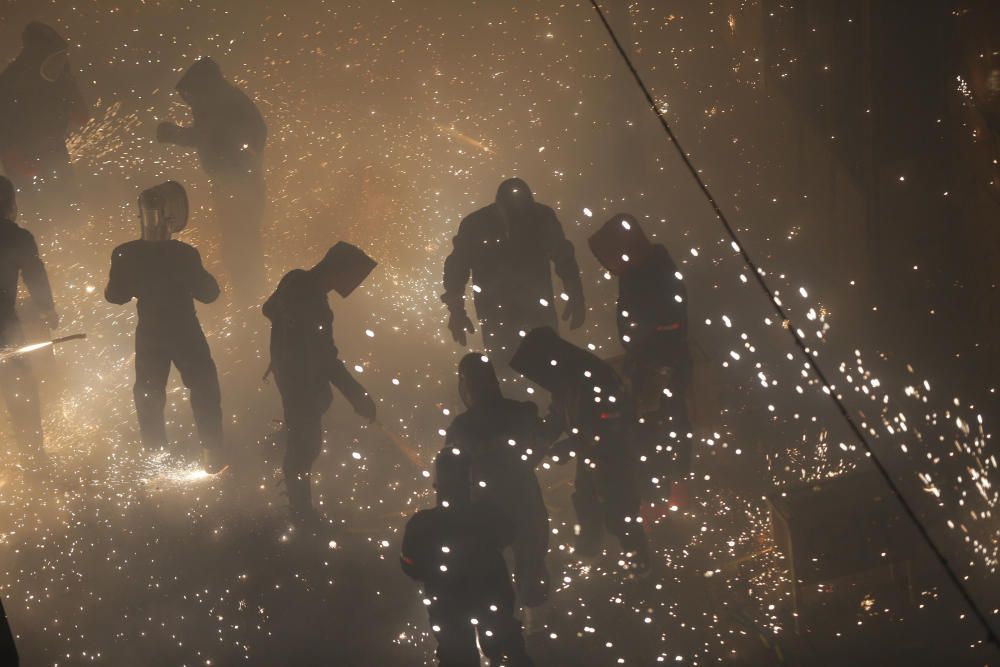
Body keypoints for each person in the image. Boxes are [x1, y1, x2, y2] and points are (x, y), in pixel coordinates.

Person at [105, 181, 225, 473]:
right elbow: (210, 294)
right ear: (171, 218)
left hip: (150, 334)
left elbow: (114, 296)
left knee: (148, 393)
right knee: (204, 387)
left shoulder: (125, 253)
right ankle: (213, 454)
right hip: (185, 331)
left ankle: (156, 461)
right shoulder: (185, 254)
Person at [511, 326, 649, 574]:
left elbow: (609, 427)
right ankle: (588, 554)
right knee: (585, 502)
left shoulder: (596, 376)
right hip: (592, 455)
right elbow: (558, 415)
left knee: (620, 509)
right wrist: (541, 443)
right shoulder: (567, 376)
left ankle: (640, 565)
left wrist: (570, 446)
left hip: (615, 457)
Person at [262, 242, 377, 524]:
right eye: (353, 275)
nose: (355, 283)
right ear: (338, 270)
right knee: (306, 446)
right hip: (299, 381)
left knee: (319, 406)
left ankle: (289, 451)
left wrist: (283, 341)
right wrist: (357, 394)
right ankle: (301, 513)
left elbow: (268, 309)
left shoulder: (296, 280)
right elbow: (328, 360)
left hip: (290, 373)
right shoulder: (314, 303)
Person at [589, 214, 692, 508]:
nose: (609, 269)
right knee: (646, 430)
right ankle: (652, 496)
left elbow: (670, 321)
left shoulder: (657, 271)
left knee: (668, 422)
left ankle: (676, 487)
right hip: (646, 360)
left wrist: (654, 364)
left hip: (664, 362)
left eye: (610, 257)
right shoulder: (634, 271)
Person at [401, 449, 535, 667]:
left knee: (458, 654)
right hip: (491, 598)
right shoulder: (487, 513)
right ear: (469, 483)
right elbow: (508, 535)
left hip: (449, 606)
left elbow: (410, 566)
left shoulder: (422, 523)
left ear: (437, 484)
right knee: (505, 645)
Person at [157, 57, 267, 305]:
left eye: (192, 95)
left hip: (240, 189)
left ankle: (249, 302)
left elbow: (208, 136)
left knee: (241, 246)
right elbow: (210, 136)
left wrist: (174, 134)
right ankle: (248, 299)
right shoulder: (226, 104)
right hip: (235, 187)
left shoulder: (227, 107)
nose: (191, 102)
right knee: (238, 245)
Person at [445, 353, 550, 609]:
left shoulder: (462, 425)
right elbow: (543, 441)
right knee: (530, 558)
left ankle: (504, 621)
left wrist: (449, 512)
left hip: (486, 502)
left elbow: (449, 473)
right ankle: (533, 618)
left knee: (490, 564)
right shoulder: (519, 411)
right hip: (522, 496)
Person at [442, 178, 585, 367]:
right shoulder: (477, 225)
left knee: (542, 368)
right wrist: (456, 308)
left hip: (527, 314)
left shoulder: (540, 217)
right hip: (502, 316)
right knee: (520, 369)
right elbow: (457, 267)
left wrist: (575, 290)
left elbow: (563, 255)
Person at [0, 176, 58, 467]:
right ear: (11, 204)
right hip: (4, 325)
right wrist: (48, 311)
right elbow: (35, 275)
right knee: (20, 390)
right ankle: (34, 459)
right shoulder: (18, 237)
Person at [0, 22, 88, 189]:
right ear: (38, 57)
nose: (59, 65)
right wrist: (18, 161)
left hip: (55, 152)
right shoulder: (9, 84)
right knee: (38, 209)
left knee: (69, 203)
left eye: (61, 59)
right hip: (24, 160)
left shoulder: (61, 78)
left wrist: (71, 88)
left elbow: (83, 117)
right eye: (55, 60)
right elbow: (3, 137)